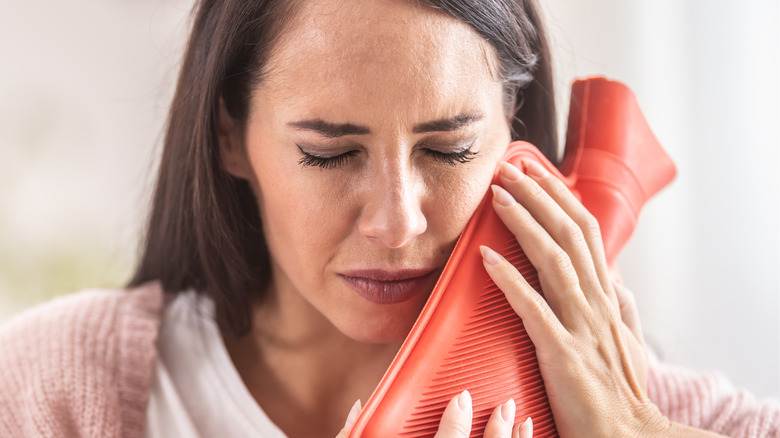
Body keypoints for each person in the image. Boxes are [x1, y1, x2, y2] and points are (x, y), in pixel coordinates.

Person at [0, 0, 778, 437]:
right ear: (230, 137)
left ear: (512, 132)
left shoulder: (617, 399)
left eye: (448, 149)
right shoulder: (51, 392)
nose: (398, 222)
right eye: (331, 155)